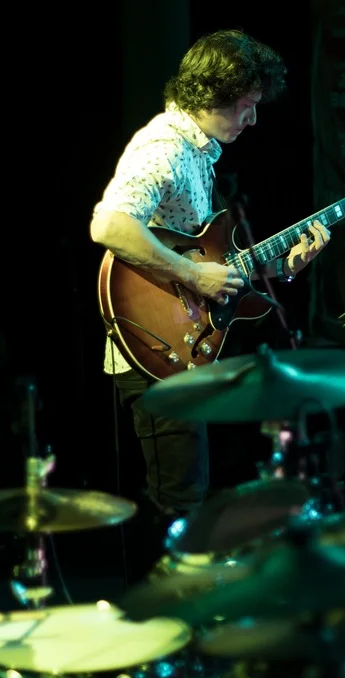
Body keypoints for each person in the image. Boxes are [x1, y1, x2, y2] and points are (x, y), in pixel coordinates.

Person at [89, 28, 330, 578]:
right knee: (179, 504)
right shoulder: (164, 148)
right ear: (212, 95)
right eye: (247, 105)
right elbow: (109, 224)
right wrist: (192, 275)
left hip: (184, 344)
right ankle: (169, 619)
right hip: (154, 348)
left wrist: (281, 268)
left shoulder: (200, 154)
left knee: (190, 496)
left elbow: (216, 262)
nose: (253, 119)